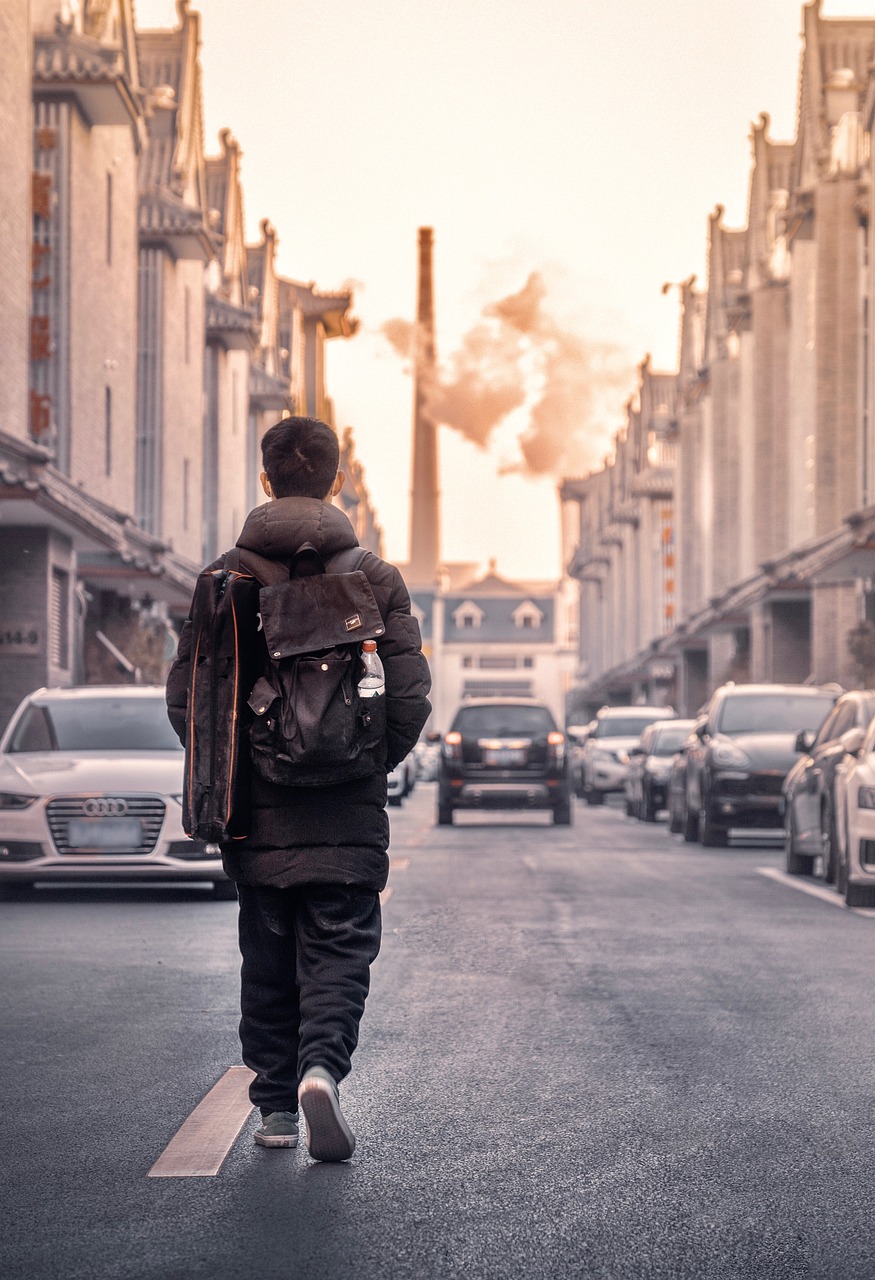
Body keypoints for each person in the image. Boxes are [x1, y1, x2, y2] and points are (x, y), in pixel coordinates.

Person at [166, 416, 431, 1162]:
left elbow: (189, 700)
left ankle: (277, 1108)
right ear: (335, 481)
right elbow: (409, 698)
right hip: (348, 807)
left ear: (265, 479)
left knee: (268, 950)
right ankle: (322, 1069)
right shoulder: (375, 579)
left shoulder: (225, 578)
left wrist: (242, 767)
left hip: (256, 813)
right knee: (340, 948)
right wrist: (363, 763)